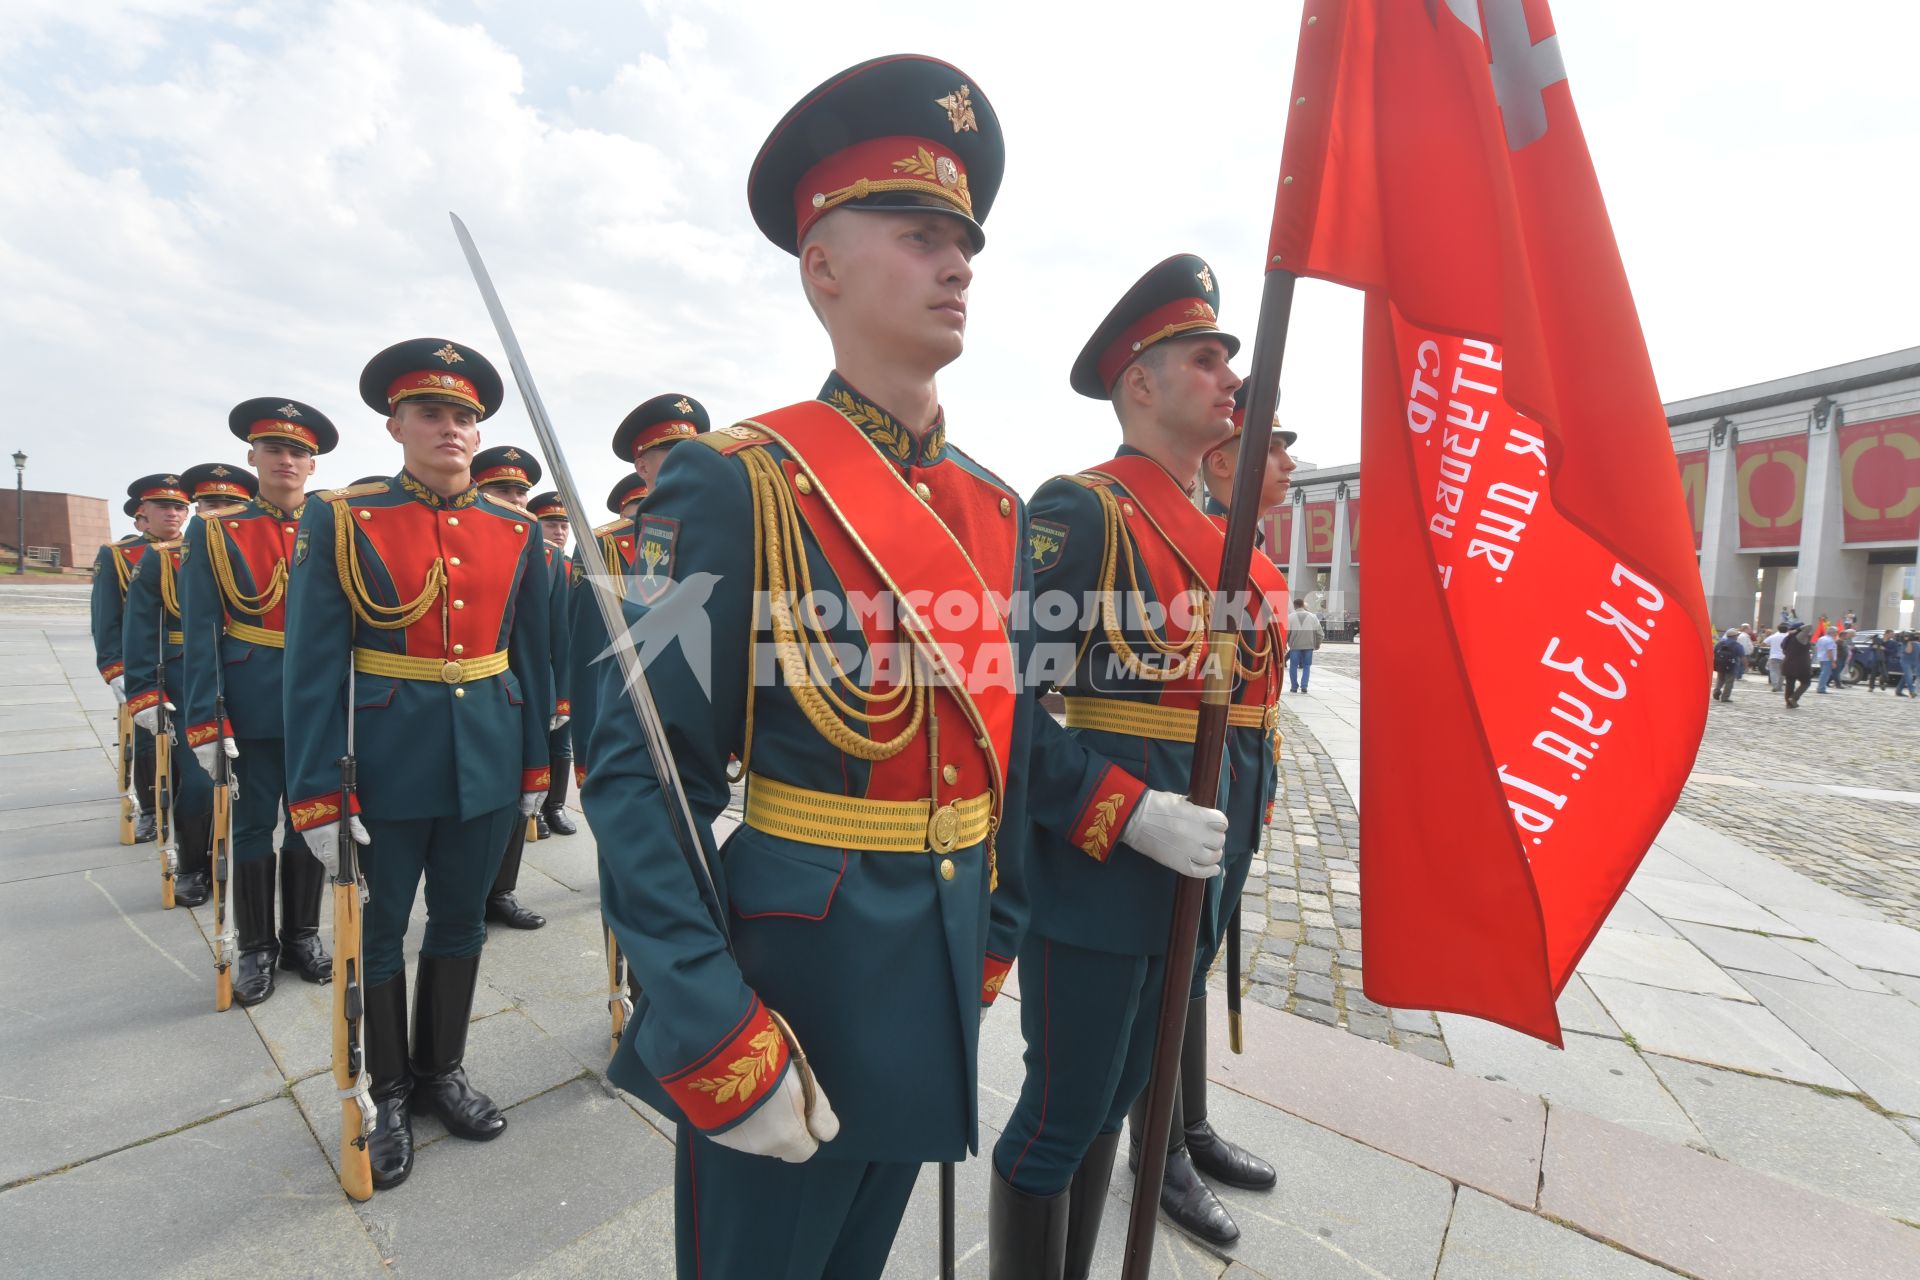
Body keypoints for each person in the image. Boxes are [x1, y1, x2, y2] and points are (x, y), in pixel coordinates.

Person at [579, 57, 1035, 1279]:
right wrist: (712, 1020)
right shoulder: (729, 482)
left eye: (965, 241)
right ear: (820, 266)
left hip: (936, 964)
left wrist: (996, 930)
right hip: (794, 992)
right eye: (918, 231)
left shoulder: (995, 508)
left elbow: (1010, 749)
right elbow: (638, 767)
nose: (958, 263)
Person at [991, 253, 1237, 1274]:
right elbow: (1000, 702)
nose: (1230, 376)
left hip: (1182, 876)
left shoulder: (1211, 532)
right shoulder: (1084, 511)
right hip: (1097, 873)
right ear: (1140, 381)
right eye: (1205, 356)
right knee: (1057, 1120)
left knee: (1107, 1108)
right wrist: (1129, 811)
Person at [282, 337, 552, 1191]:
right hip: (387, 759)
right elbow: (314, 664)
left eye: (466, 416)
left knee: (464, 921)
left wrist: (537, 767)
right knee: (381, 928)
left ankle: (442, 1072)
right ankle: (389, 1089)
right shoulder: (345, 515)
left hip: (488, 753)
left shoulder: (515, 527)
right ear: (395, 424)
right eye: (432, 412)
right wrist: (318, 791)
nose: (452, 428)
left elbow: (533, 659)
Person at [1120, 382, 1295, 1243]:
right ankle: (1159, 1151)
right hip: (1186, 773)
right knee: (1171, 971)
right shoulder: (1178, 539)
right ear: (1223, 460)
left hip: (1237, 775)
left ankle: (1187, 1128)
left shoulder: (1247, 548)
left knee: (1195, 966)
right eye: (1276, 445)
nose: (1291, 462)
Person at [177, 411, 340, 1005]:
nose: (286, 460)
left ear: (314, 462)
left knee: (313, 816)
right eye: (273, 448)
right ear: (252, 456)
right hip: (252, 702)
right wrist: (204, 719)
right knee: (251, 826)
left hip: (321, 701)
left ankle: (301, 937)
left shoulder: (336, 524)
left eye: (298, 452)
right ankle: (256, 948)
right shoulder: (217, 531)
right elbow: (200, 631)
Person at [567, 396, 707, 804]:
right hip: (628, 723)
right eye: (671, 452)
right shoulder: (605, 545)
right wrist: (591, 745)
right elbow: (590, 653)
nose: (688, 461)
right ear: (642, 466)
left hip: (699, 724)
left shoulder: (720, 534)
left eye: (694, 451)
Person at [467, 443, 558, 931]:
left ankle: (502, 891)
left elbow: (548, 637)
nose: (516, 500)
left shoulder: (537, 547)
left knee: (513, 801)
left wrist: (552, 699)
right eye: (502, 489)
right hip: (471, 688)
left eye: (520, 492)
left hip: (516, 690)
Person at [123, 473, 214, 906]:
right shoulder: (163, 559)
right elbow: (134, 629)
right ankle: (194, 865)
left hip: (247, 678)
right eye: (210, 505)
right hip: (182, 678)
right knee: (196, 781)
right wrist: (140, 690)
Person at [91, 494, 162, 843]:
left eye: (180, 506)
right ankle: (150, 810)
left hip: (184, 660)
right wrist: (115, 668)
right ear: (141, 517)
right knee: (148, 743)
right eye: (163, 507)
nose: (173, 513)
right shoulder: (120, 555)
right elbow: (106, 617)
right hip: (141, 662)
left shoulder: (198, 547)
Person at [527, 489, 578, 839]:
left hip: (563, 663)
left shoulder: (572, 566)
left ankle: (554, 806)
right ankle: (532, 811)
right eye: (552, 523)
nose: (560, 531)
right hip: (530, 665)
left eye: (564, 525)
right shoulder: (535, 559)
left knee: (561, 742)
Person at [1286, 596, 1323, 693]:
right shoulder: (1313, 617)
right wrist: (1317, 644)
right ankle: (1304, 686)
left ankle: (1294, 687)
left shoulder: (1290, 617)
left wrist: (1284, 644)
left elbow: (1286, 633)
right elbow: (1320, 633)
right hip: (1309, 646)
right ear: (1303, 605)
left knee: (1293, 666)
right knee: (1307, 666)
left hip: (1295, 646)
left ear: (1294, 606)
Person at [1782, 624, 1813, 708]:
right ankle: (1794, 698)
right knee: (1806, 682)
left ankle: (1789, 703)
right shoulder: (1799, 637)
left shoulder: (1788, 638)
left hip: (1788, 663)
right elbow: (1809, 626)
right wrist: (1797, 630)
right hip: (1801, 665)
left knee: (1790, 684)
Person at [1711, 629, 1742, 703]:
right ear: (1734, 636)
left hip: (1720, 665)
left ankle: (1716, 691)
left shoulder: (1720, 643)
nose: (1737, 637)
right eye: (1737, 635)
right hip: (1732, 666)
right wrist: (1746, 665)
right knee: (1729, 682)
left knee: (1720, 679)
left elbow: (1714, 652)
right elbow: (1742, 656)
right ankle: (1725, 697)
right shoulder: (1737, 645)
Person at [1762, 623, 1789, 692]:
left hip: (1774, 656)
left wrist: (1771, 646)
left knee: (1773, 671)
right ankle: (1779, 686)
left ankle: (1775, 685)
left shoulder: (1773, 636)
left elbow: (1763, 643)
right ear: (1787, 629)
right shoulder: (1788, 636)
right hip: (1785, 657)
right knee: (1782, 672)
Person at [1814, 626, 1838, 694]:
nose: (1837, 633)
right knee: (1825, 674)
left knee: (1823, 673)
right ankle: (1821, 688)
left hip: (1821, 658)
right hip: (1827, 659)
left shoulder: (1821, 638)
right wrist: (1833, 662)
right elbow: (1829, 651)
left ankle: (1820, 687)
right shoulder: (1830, 640)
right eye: (1836, 632)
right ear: (1833, 632)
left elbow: (1817, 647)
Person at [1901, 631, 1920, 698]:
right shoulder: (1905, 643)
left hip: (1914, 662)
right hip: (1906, 662)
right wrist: (1909, 642)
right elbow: (1908, 651)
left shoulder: (1917, 644)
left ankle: (1898, 690)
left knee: (1906, 676)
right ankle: (1912, 692)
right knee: (1909, 676)